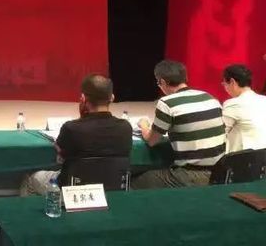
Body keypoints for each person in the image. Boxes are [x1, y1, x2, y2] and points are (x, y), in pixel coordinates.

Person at [20, 74, 132, 195]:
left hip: (72, 191)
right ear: (112, 97)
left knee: (31, 180)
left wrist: (82, 117)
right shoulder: (126, 127)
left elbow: (61, 155)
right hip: (114, 189)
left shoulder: (71, 128)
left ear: (83, 99)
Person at [133, 60, 225, 189]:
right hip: (220, 172)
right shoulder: (211, 98)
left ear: (163, 82)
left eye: (158, 83)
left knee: (135, 181)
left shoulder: (167, 103)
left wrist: (144, 125)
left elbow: (151, 140)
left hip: (190, 175)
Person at [221, 64, 266, 152]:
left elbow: (220, 134)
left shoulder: (233, 104)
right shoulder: (264, 100)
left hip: (244, 158)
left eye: (224, 84)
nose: (225, 88)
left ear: (232, 82)